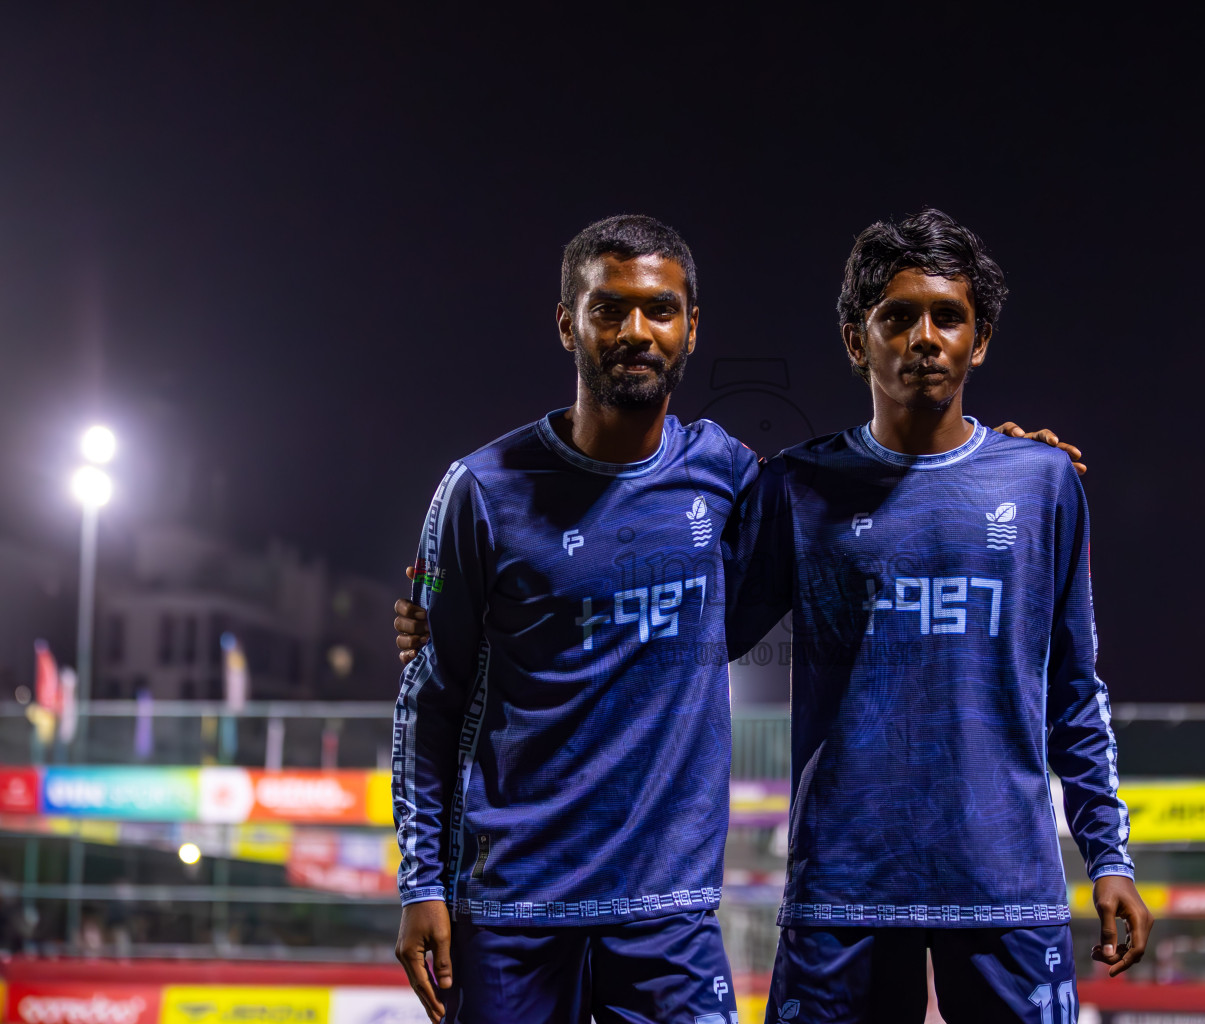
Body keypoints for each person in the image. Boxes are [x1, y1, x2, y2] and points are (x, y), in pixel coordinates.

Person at [390, 213, 1075, 1024]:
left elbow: (872, 500)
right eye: (609, 308)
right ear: (566, 322)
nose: (636, 330)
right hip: (511, 908)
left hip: (669, 914)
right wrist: (422, 881)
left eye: (659, 310)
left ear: (690, 328)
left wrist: (995, 463)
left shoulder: (729, 476)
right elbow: (429, 702)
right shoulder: (480, 487)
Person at [723, 209, 1152, 1022]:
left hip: (1006, 889)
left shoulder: (1043, 483)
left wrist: (1109, 857)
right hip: (843, 891)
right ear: (858, 340)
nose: (925, 337)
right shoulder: (797, 489)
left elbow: (1074, 690)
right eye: (898, 316)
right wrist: (487, 615)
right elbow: (694, 629)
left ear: (979, 339)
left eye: (947, 317)